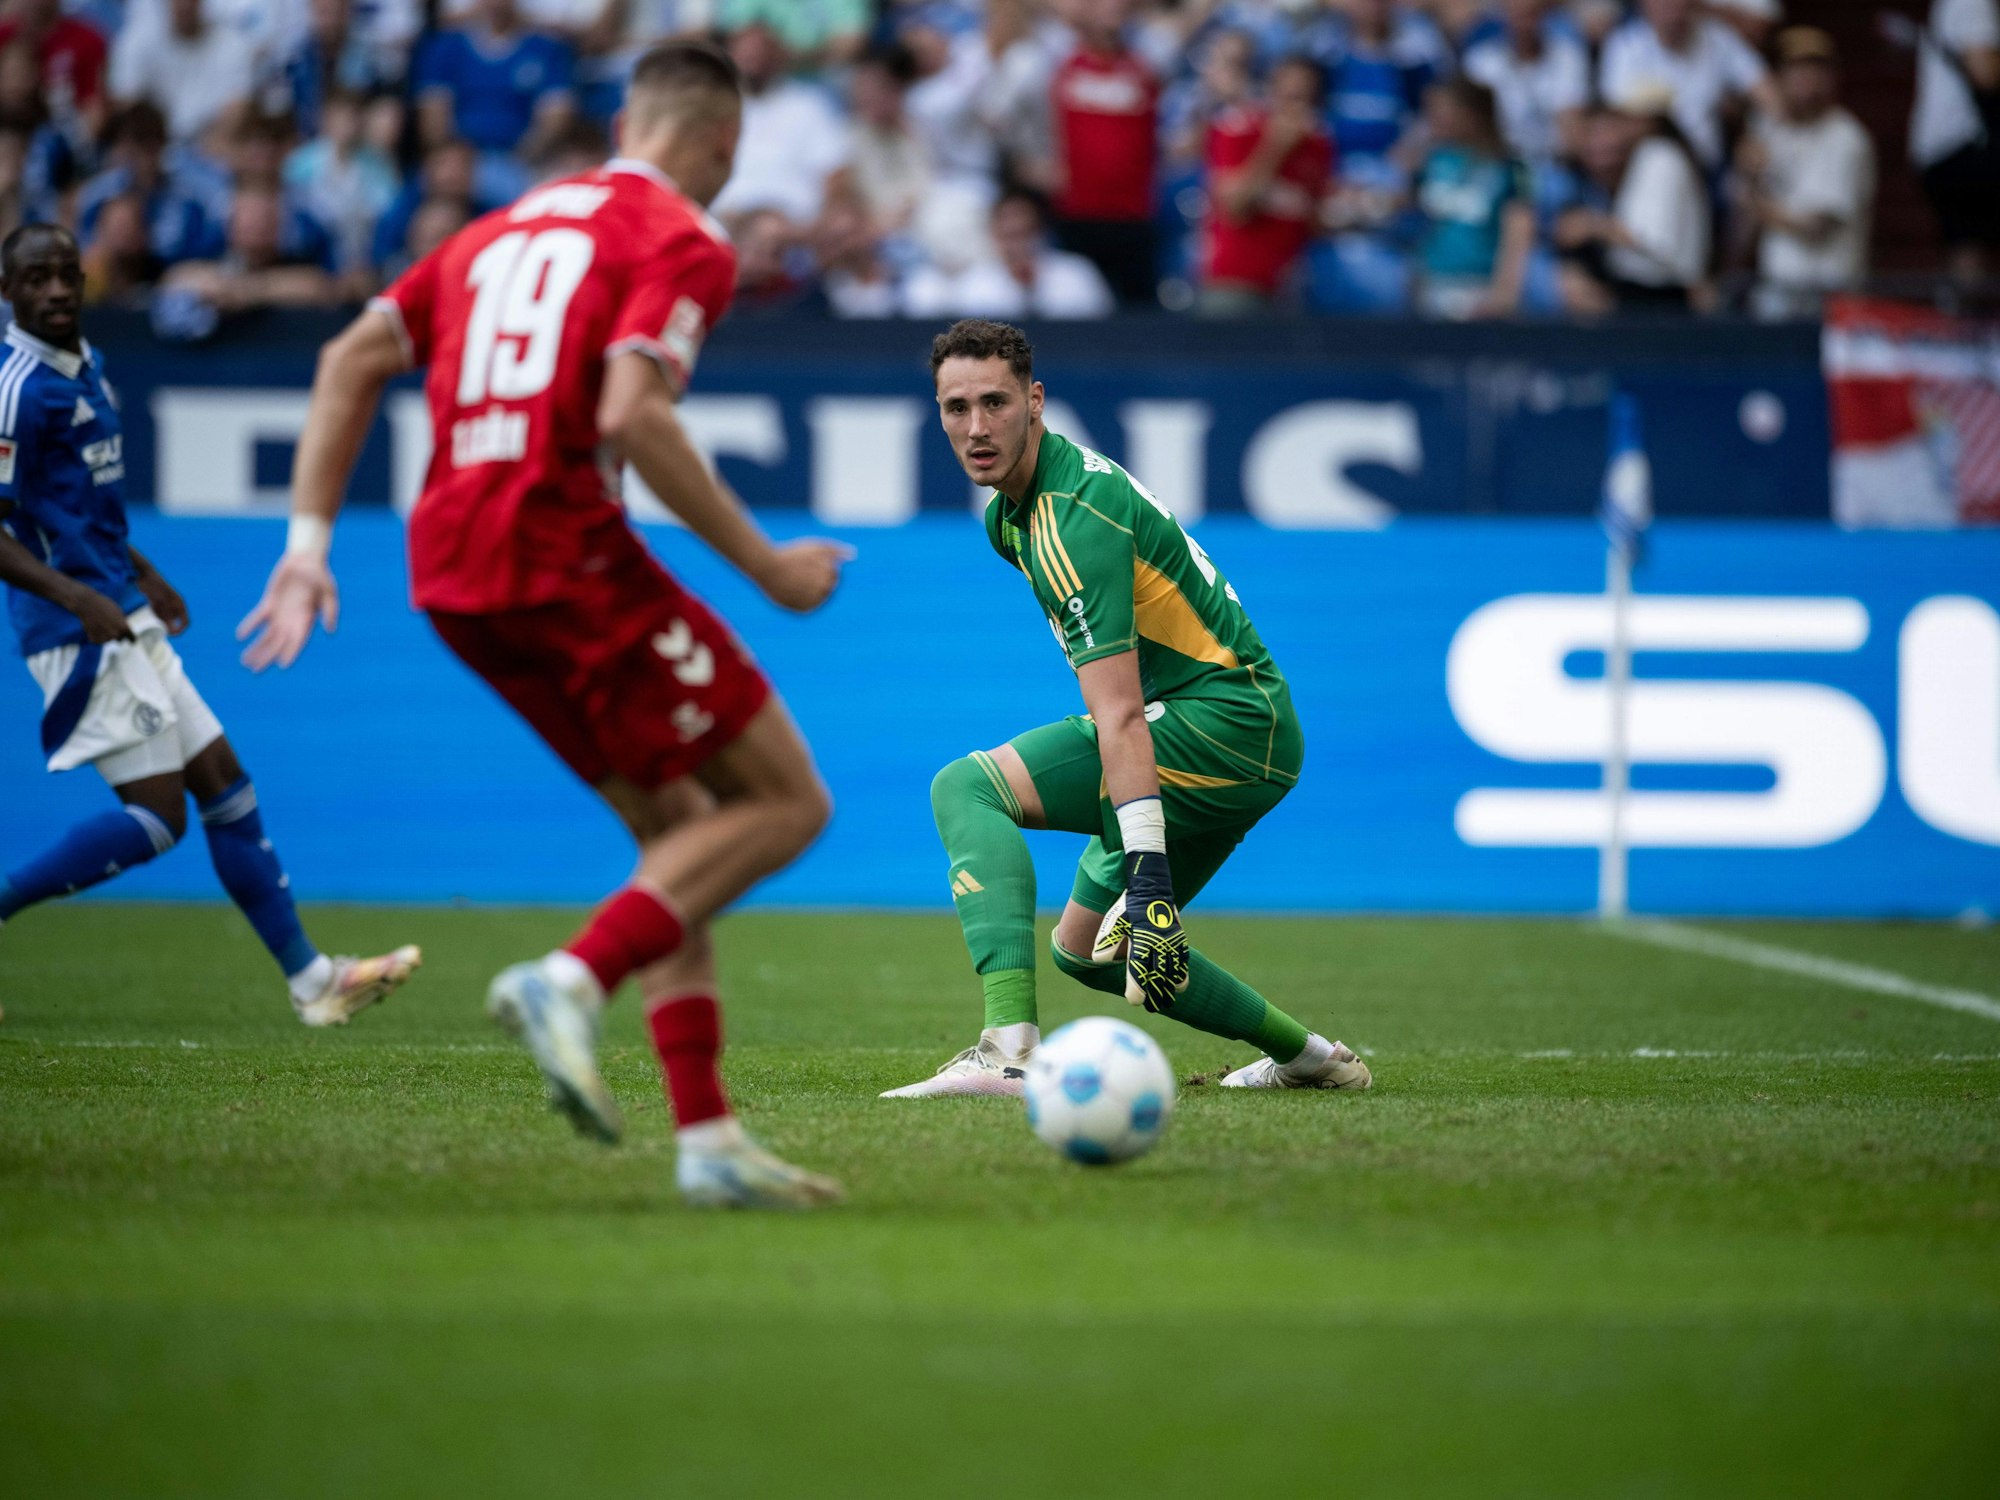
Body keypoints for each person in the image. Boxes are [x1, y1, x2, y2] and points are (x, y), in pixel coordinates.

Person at [240, 41, 848, 1210]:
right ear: (722, 145)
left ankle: (709, 1141)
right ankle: (570, 979)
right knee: (784, 800)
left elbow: (349, 356)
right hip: (558, 545)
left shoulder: (494, 232)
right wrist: (767, 566)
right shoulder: (681, 237)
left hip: (450, 571)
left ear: (626, 120)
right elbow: (635, 411)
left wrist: (306, 548)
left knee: (673, 840)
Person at [886, 318, 1369, 1100]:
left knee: (967, 788)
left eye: (996, 403)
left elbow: (1120, 715)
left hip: (1226, 725)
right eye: (955, 407)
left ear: (1035, 402)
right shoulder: (1011, 518)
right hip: (1231, 726)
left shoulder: (1073, 516)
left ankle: (1009, 1050)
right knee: (1092, 951)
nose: (975, 427)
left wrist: (1146, 873)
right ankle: (1313, 1060)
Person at [0, 223, 419, 1025]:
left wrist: (143, 575)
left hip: (120, 608)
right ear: (7, 292)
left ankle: (313, 982)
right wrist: (78, 597)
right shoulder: (17, 388)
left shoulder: (88, 367)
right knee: (158, 821)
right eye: (34, 279)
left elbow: (81, 506)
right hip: (78, 632)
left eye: (64, 275)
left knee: (227, 786)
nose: (54, 291)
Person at [1739, 27, 1873, 320]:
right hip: (1775, 302)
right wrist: (1749, 176)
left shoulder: (1846, 137)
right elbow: (1742, 237)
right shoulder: (1769, 130)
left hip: (1830, 305)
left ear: (1833, 78)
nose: (1805, 78)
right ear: (1777, 77)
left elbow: (1815, 227)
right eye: (1795, 68)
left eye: (1816, 69)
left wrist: (1754, 203)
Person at [1198, 52, 1334, 313]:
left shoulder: (1319, 144)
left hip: (1290, 290)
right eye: (1288, 96)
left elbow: (1314, 219)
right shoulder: (1237, 130)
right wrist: (1275, 148)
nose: (1295, 107)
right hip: (1235, 286)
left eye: (1304, 98)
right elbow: (1235, 207)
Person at [1048, 0, 1160, 305]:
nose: (1111, 9)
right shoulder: (1061, 64)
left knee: (1139, 317)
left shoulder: (1145, 68)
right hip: (1077, 211)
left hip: (1132, 213)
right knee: (1074, 309)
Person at [1597, 0, 1773, 172]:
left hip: (1709, 170)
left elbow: (1770, 97)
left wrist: (1755, 136)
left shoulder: (1717, 37)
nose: (1670, 4)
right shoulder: (1624, 45)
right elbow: (1617, 123)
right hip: (1645, 167)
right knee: (1660, 160)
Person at [1411, 77, 1534, 319]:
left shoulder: (1511, 166)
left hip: (1481, 288)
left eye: (1442, 110)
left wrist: (1506, 291)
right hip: (1432, 284)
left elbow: (1520, 226)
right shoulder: (1432, 159)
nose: (1433, 118)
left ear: (1472, 114)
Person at [902, 187, 1114, 319]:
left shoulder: (1077, 275)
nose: (1017, 245)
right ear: (993, 235)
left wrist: (1033, 287)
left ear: (1041, 232)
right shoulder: (972, 285)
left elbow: (1104, 332)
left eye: (1024, 233)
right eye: (1009, 235)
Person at [1908, 0, 2000, 282]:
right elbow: (1985, 72)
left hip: (1940, 146)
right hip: (1964, 142)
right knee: (1966, 237)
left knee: (1965, 240)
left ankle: (1963, 318)